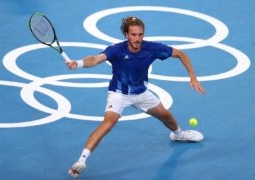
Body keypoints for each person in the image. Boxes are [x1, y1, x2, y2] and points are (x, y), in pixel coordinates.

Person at [66, 16, 205, 178]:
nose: (137, 38)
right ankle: (81, 161)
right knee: (108, 123)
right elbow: (96, 59)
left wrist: (192, 76)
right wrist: (79, 63)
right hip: (119, 94)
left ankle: (179, 135)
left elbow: (180, 54)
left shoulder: (151, 48)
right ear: (126, 34)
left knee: (166, 116)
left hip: (141, 93)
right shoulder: (116, 50)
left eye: (140, 34)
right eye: (133, 34)